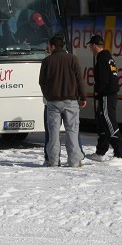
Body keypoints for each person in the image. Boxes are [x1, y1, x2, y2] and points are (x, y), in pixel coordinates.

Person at [39, 35, 87, 167]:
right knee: (72, 131)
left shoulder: (47, 61)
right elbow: (80, 80)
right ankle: (74, 161)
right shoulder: (72, 59)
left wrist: (48, 96)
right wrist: (83, 97)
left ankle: (53, 161)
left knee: (53, 133)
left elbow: (41, 82)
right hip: (71, 101)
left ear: (53, 46)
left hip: (53, 102)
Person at [85, 34, 122, 161]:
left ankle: (118, 153)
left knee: (109, 121)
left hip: (107, 95)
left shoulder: (102, 58)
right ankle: (100, 152)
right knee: (102, 124)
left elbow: (103, 79)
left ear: (95, 45)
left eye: (91, 46)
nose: (90, 49)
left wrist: (98, 91)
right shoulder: (108, 58)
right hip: (108, 94)